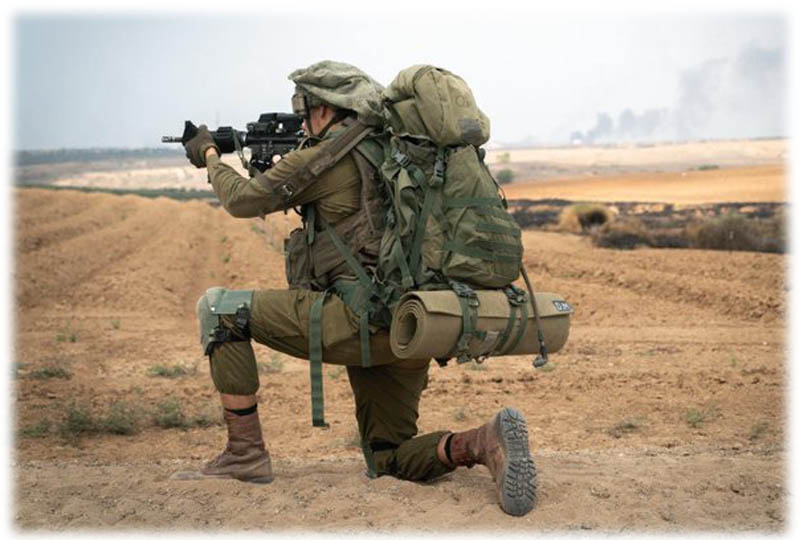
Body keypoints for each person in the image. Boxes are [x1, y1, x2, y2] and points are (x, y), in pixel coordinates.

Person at [174, 61, 537, 517]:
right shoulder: (399, 149)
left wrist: (210, 155)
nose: (302, 122)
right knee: (389, 459)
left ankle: (244, 454)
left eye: (304, 111)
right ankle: (481, 441)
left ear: (325, 109)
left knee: (220, 310)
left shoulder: (329, 156)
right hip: (412, 322)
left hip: (358, 321)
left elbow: (243, 199)